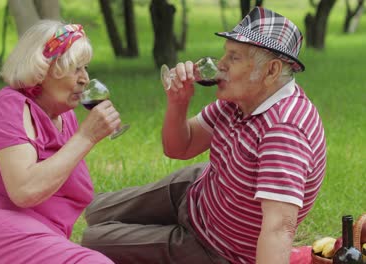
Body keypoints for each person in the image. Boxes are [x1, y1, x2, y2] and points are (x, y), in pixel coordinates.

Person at [81, 7, 326, 264]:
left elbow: (279, 228)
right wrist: (178, 101)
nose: (220, 64)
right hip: (202, 190)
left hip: (216, 248)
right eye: (225, 53)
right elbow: (180, 148)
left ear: (272, 71)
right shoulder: (241, 99)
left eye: (234, 57)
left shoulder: (284, 133)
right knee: (95, 211)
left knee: (93, 240)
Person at [0, 20, 118, 264]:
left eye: (85, 68)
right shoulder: (8, 106)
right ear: (41, 70)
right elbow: (25, 190)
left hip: (31, 233)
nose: (85, 79)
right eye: (75, 68)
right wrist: (86, 138)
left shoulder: (65, 117)